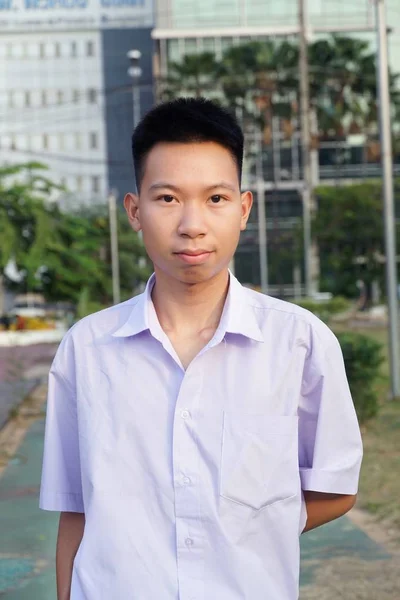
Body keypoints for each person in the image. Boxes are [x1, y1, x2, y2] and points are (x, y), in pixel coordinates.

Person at [39, 97, 363, 600]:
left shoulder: (299, 342)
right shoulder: (87, 349)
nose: (192, 223)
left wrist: (244, 524)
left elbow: (336, 487)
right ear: (134, 211)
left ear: (244, 208)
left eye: (215, 198)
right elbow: (76, 510)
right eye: (167, 198)